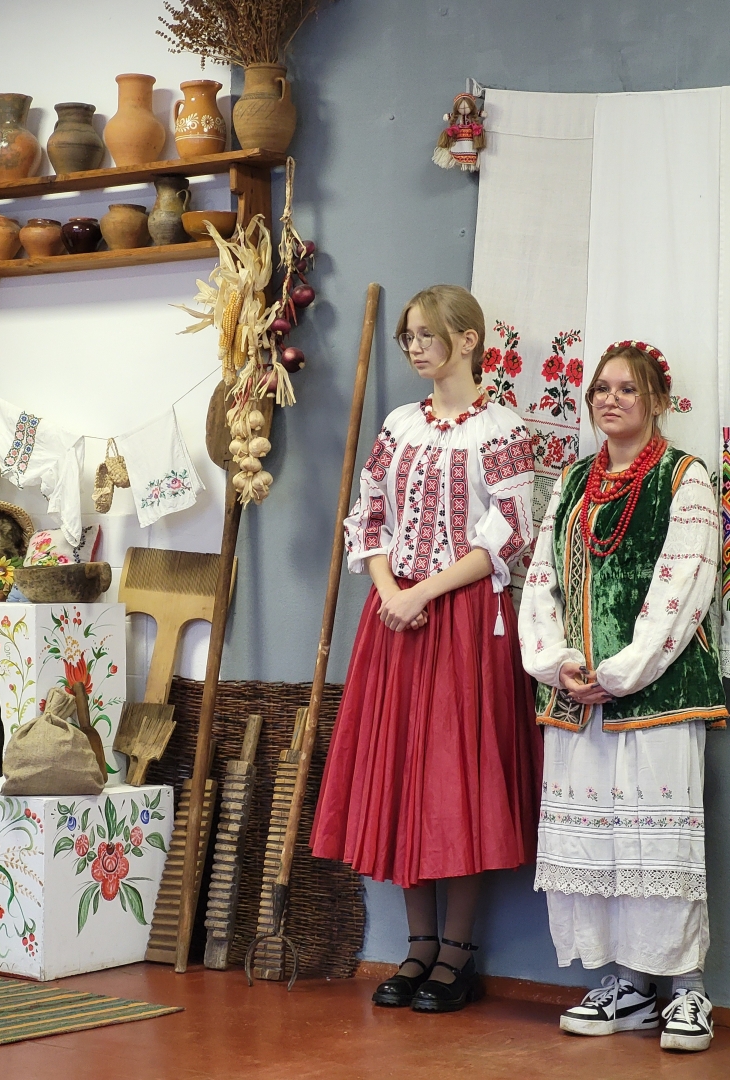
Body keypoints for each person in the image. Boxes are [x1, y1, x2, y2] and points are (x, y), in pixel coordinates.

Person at [311, 284, 543, 1013]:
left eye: (426, 335)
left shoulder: (501, 429)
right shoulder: (400, 423)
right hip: (396, 619)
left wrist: (424, 594)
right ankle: (416, 947)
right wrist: (390, 591)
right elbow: (369, 512)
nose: (414, 347)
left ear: (468, 340)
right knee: (404, 771)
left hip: (464, 619)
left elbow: (511, 531)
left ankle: (457, 953)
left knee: (456, 776)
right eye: (407, 336)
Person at [519, 340, 728, 1053]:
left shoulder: (685, 478)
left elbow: (685, 586)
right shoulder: (574, 482)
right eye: (601, 389)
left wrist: (618, 674)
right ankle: (629, 987)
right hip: (576, 698)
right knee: (600, 849)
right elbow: (541, 579)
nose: (610, 400)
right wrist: (557, 664)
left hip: (656, 695)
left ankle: (688, 989)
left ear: (658, 401)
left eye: (628, 389)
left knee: (657, 848)